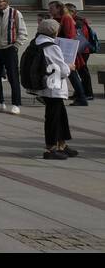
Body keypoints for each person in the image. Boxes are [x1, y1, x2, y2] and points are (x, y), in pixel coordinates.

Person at [30, 15, 75, 160]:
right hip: (53, 87)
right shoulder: (51, 46)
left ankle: (62, 144)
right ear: (54, 32)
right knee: (53, 118)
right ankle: (51, 148)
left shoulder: (36, 42)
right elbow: (61, 70)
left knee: (61, 115)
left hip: (44, 85)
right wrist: (69, 67)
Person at [0, 0, 24, 115]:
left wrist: (16, 46)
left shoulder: (15, 13)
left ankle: (16, 104)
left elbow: (22, 32)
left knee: (13, 77)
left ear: (6, 2)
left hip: (9, 48)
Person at [50, 1, 89, 106]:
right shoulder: (60, 18)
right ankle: (57, 96)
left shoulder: (66, 18)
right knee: (63, 73)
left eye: (52, 8)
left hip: (66, 51)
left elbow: (70, 36)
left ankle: (81, 98)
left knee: (72, 75)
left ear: (59, 8)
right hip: (62, 50)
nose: (50, 10)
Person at [66, 3, 95, 100]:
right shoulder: (74, 20)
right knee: (78, 72)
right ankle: (79, 92)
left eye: (66, 11)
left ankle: (88, 93)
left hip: (82, 50)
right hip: (79, 50)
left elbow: (82, 36)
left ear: (72, 12)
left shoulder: (78, 22)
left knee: (83, 73)